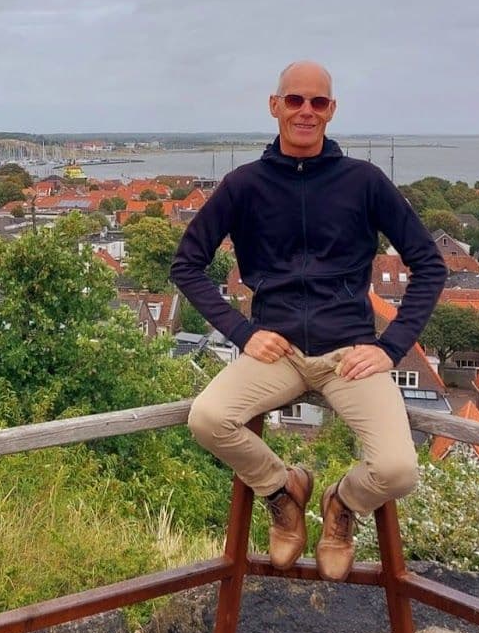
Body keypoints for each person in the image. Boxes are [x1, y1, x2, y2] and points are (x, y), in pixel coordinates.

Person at [170, 61, 446, 581]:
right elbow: (186, 265)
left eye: (318, 103)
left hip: (349, 354)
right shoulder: (244, 185)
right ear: (274, 105)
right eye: (294, 100)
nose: (305, 111)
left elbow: (430, 264)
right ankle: (283, 489)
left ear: (332, 111)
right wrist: (243, 333)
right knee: (208, 418)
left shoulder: (363, 181)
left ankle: (342, 505)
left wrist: (391, 347)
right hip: (278, 351)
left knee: (397, 469)